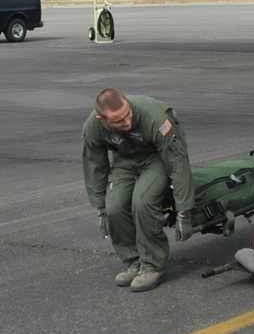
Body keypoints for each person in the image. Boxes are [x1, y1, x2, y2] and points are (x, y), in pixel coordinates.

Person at [82, 87, 196, 292]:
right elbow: (95, 165)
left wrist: (184, 211)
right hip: (125, 161)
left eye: (127, 114)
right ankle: (133, 260)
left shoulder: (155, 117)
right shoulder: (94, 126)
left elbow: (178, 161)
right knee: (114, 207)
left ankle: (152, 264)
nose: (126, 122)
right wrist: (100, 207)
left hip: (156, 159)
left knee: (142, 202)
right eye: (118, 121)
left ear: (128, 102)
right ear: (102, 118)